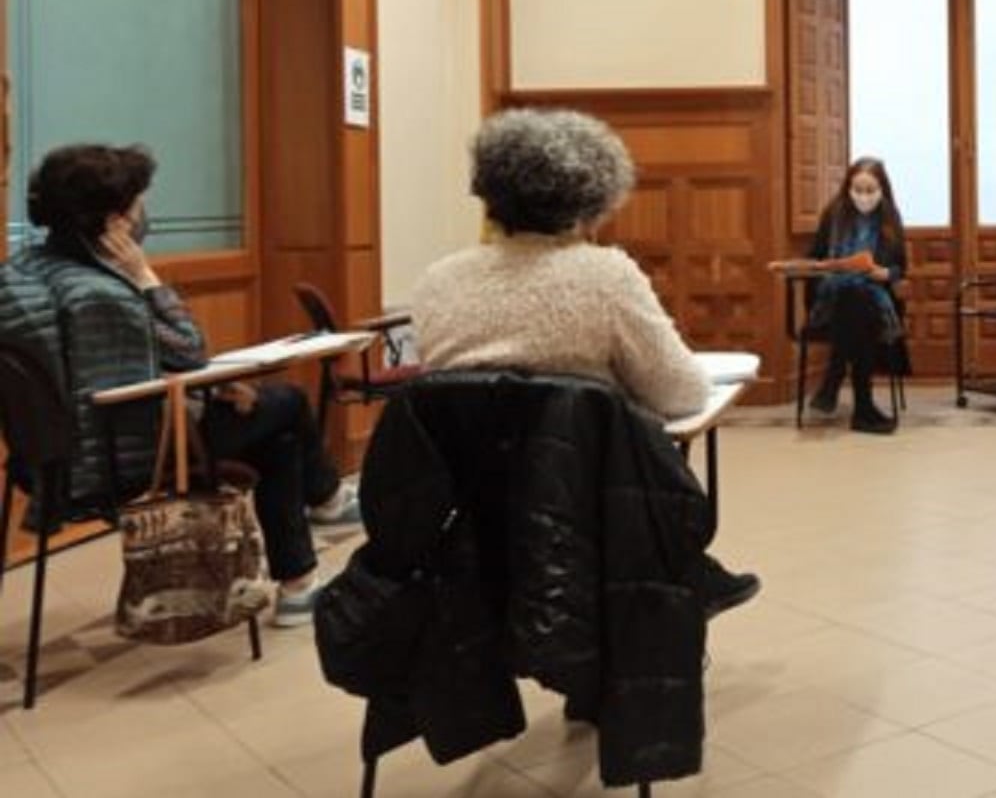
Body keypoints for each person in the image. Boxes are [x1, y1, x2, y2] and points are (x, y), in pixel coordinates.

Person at [411, 107, 760, 616]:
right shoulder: (604, 276)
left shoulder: (439, 281)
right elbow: (680, 393)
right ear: (589, 199)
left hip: (466, 504)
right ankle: (684, 573)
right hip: (591, 507)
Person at [10, 144, 359, 627]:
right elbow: (189, 348)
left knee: (274, 435)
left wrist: (210, 389)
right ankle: (327, 505)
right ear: (115, 222)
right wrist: (145, 276)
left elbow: (112, 370)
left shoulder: (24, 273)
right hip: (130, 458)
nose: (143, 213)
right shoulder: (102, 293)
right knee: (288, 404)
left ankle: (302, 583)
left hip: (47, 461)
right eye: (137, 203)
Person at [800, 157, 909, 435]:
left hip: (875, 300)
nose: (863, 197)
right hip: (832, 300)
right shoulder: (834, 214)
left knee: (859, 300)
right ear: (848, 188)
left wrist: (885, 274)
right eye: (857, 189)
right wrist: (825, 267)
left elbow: (900, 269)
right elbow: (814, 256)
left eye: (870, 190)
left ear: (882, 190)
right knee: (852, 296)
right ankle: (863, 408)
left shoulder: (890, 219)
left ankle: (833, 379)